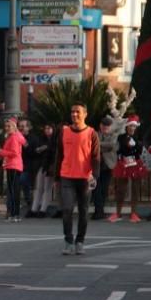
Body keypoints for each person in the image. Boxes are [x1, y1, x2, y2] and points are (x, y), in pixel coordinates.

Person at [52, 103, 101, 255]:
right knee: (66, 209)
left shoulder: (92, 133)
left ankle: (80, 241)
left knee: (83, 211)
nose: (74, 115)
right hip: (67, 176)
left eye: (78, 112)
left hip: (85, 178)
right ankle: (68, 241)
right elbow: (59, 155)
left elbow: (96, 157)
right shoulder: (64, 132)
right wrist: (56, 178)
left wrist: (95, 176)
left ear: (85, 114)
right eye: (72, 112)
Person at [109, 115, 147, 223]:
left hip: (135, 163)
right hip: (123, 163)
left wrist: (137, 145)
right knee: (120, 189)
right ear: (126, 127)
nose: (132, 128)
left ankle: (133, 213)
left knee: (135, 189)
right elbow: (118, 149)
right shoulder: (121, 137)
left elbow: (140, 150)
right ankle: (118, 213)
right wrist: (126, 144)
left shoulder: (138, 137)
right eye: (130, 126)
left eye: (134, 126)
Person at [0, 117, 26, 222]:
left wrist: (1, 152)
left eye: (9, 126)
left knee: (13, 191)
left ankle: (15, 214)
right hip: (12, 165)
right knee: (13, 190)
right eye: (6, 126)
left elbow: (14, 153)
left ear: (14, 127)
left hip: (13, 165)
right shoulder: (13, 136)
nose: (7, 128)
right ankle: (14, 214)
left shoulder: (14, 137)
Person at [93, 116, 117, 220]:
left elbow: (112, 145)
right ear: (100, 125)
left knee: (104, 188)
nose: (105, 128)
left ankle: (100, 210)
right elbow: (91, 145)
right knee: (96, 188)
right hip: (97, 164)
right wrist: (103, 146)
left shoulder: (114, 135)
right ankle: (98, 211)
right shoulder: (95, 134)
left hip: (108, 164)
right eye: (104, 125)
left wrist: (99, 145)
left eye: (107, 126)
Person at [30, 123, 55, 218]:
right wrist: (39, 149)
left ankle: (43, 209)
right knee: (39, 187)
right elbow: (35, 151)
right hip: (41, 166)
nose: (47, 130)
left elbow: (54, 152)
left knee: (47, 188)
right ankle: (34, 209)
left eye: (49, 128)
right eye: (46, 128)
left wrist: (46, 148)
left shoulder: (54, 141)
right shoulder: (41, 139)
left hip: (50, 166)